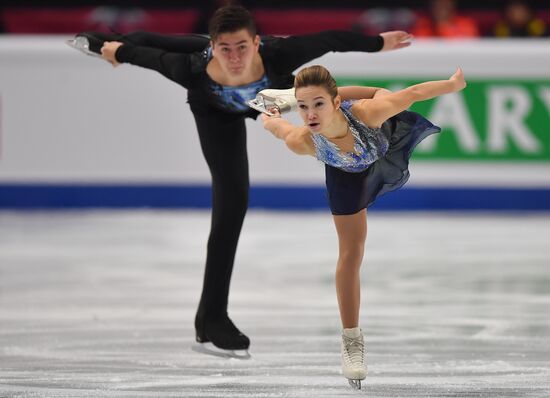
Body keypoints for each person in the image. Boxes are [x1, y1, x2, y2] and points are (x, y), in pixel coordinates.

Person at [67, 5, 413, 356]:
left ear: (258, 42)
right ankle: (211, 320)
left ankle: (209, 318)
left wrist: (377, 43)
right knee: (232, 205)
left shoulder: (279, 54)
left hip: (267, 99)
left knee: (165, 43)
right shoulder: (191, 70)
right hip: (216, 111)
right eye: (225, 49)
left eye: (242, 47)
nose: (235, 58)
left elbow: (331, 39)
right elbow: (148, 57)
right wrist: (112, 51)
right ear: (214, 48)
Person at [260, 65, 466, 387]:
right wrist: (271, 118)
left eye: (318, 104)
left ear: (334, 102)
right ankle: (351, 340)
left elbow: (412, 94)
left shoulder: (368, 113)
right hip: (345, 174)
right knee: (351, 253)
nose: (310, 115)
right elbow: (281, 131)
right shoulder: (306, 140)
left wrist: (452, 85)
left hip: (381, 139)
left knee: (380, 96)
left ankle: (315, 95)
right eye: (302, 106)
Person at [412, 0, 479, 38]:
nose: (442, 6)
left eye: (446, 3)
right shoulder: (422, 26)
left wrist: (443, 26)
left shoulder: (466, 25)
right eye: (438, 3)